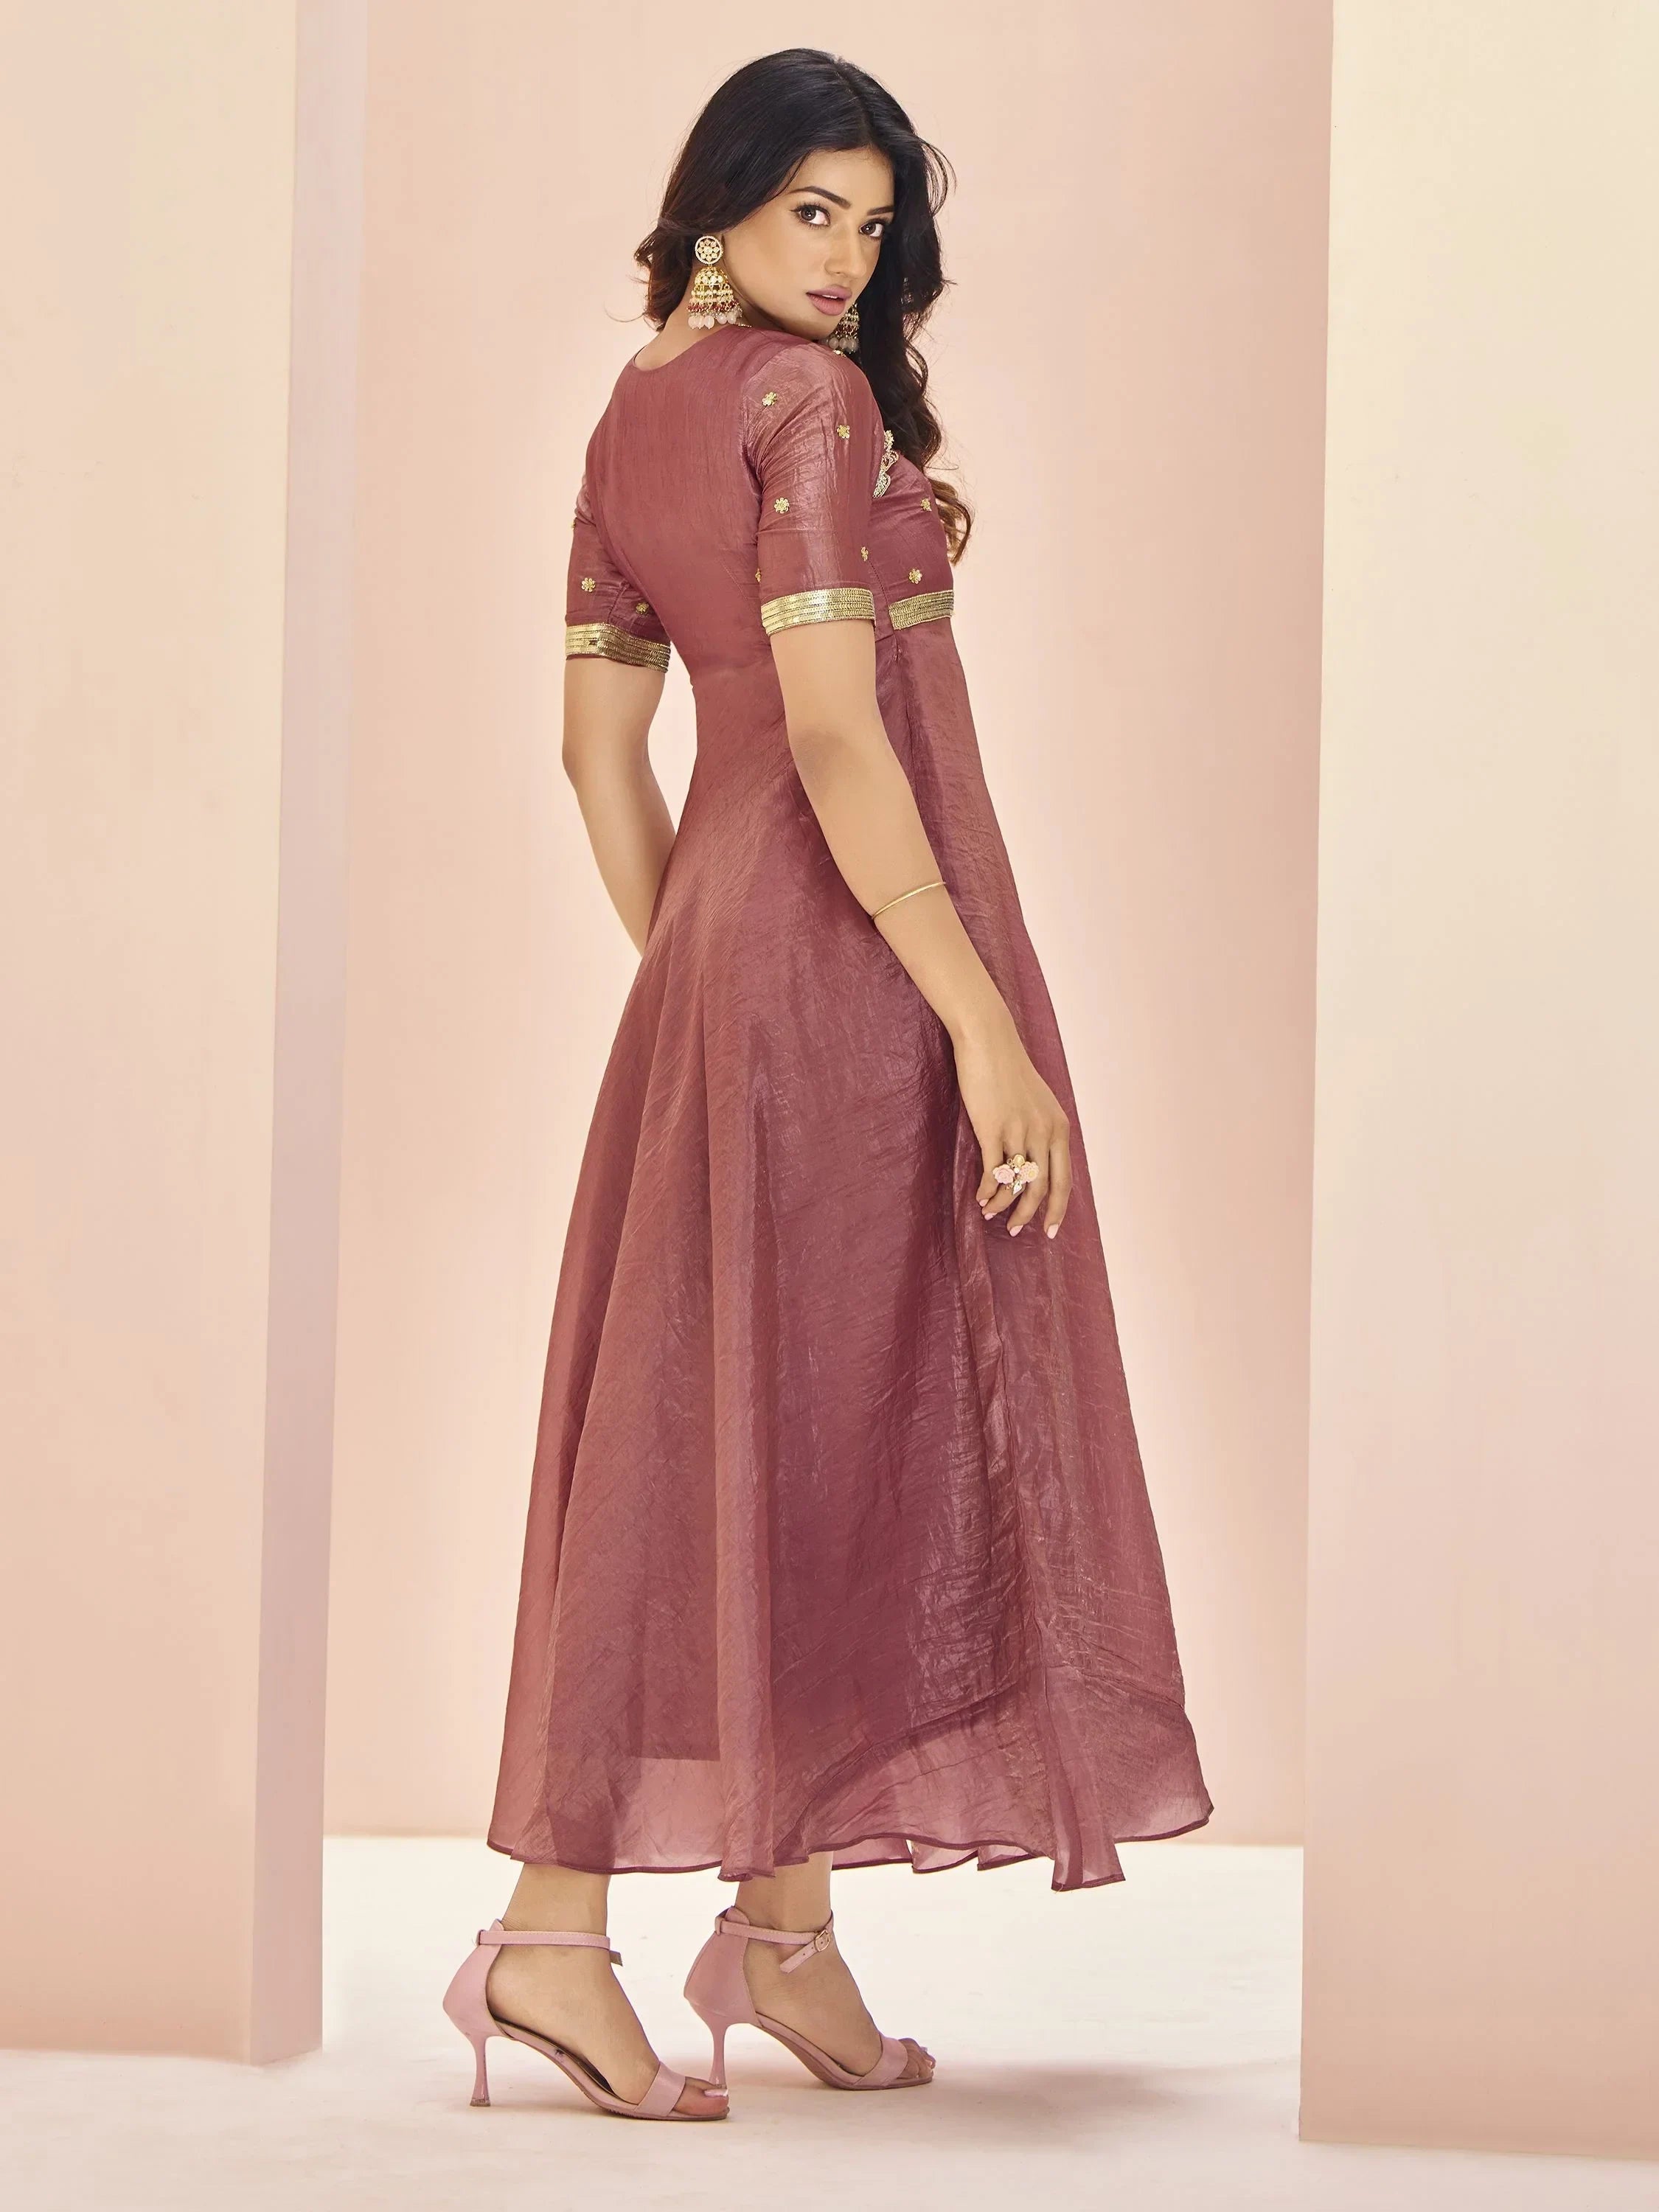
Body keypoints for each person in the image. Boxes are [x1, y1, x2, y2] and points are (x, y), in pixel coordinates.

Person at [442, 46, 1212, 2124]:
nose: (847, 259)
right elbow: (842, 738)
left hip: (719, 974)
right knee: (786, 1431)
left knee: (758, 1431)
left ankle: (778, 1935)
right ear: (717, 202)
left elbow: (602, 757)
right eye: (812, 213)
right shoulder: (808, 403)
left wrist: (699, 977)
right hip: (865, 963)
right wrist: (970, 1021)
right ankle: (544, 1933)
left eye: (872, 229)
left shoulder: (629, 416)